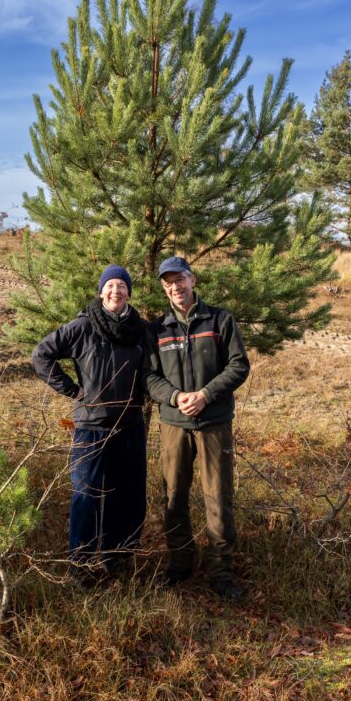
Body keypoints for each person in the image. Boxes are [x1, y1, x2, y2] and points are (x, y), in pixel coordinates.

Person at [32, 265, 146, 584]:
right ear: (100, 291)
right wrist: (72, 390)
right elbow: (41, 355)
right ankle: (80, 566)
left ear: (129, 293)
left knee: (127, 496)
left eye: (122, 286)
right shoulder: (83, 326)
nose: (116, 291)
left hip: (130, 425)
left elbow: (154, 371)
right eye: (110, 285)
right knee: (87, 494)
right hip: (92, 426)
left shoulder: (140, 329)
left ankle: (118, 559)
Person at [143, 256, 250, 599]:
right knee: (174, 496)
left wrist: (206, 395)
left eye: (180, 279)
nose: (175, 287)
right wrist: (174, 397)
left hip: (213, 423)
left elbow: (238, 366)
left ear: (192, 280)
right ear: (164, 288)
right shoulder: (157, 329)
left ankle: (221, 572)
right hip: (174, 424)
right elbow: (148, 376)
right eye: (168, 282)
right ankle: (180, 564)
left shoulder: (219, 320)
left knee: (218, 498)